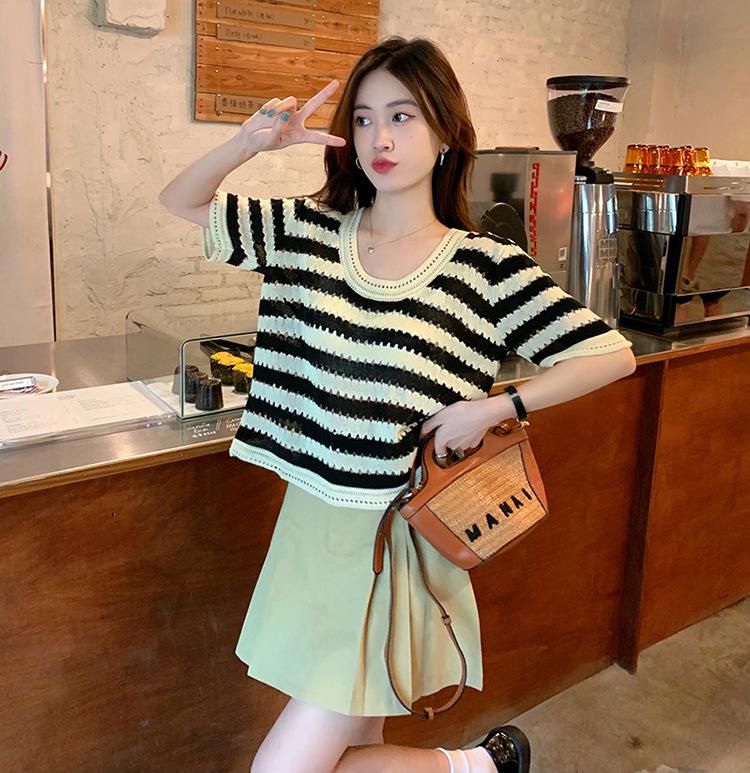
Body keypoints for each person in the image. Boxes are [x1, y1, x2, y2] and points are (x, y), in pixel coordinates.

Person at [159, 35, 636, 773]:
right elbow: (182, 201)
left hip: (388, 542)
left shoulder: (484, 268)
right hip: (313, 522)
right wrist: (249, 144)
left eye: (403, 116)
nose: (380, 137)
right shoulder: (308, 232)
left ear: (445, 133)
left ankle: (479, 766)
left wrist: (496, 405)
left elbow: (610, 354)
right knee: (356, 746)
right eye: (365, 119)